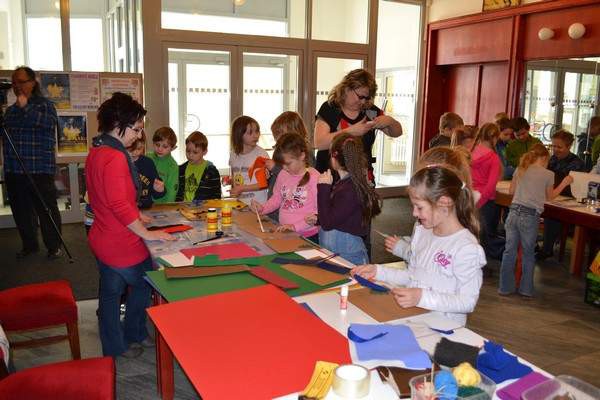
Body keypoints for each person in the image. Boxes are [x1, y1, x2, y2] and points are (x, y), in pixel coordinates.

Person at [85, 92, 174, 358]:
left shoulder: (97, 150)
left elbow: (106, 197)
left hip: (103, 235)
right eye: (135, 129)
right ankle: (134, 332)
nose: (138, 135)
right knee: (147, 279)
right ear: (118, 125)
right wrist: (146, 232)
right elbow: (118, 204)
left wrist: (137, 214)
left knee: (111, 294)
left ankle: (116, 344)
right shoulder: (114, 157)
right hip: (119, 242)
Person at [352, 165, 485, 327]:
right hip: (415, 320)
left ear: (444, 203)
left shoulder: (467, 248)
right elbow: (413, 276)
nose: (414, 213)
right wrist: (378, 271)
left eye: (419, 207)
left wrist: (421, 297)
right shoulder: (422, 233)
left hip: (445, 329)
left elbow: (467, 302)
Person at [2, 66, 62, 259]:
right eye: (14, 82)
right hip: (14, 169)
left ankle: (54, 247)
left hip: (39, 169)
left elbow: (48, 124)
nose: (17, 86)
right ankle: (29, 245)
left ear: (33, 82)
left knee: (46, 210)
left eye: (21, 82)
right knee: (21, 212)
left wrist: (26, 107)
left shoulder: (45, 105)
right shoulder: (10, 111)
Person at [498, 144, 573, 298]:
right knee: (528, 254)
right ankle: (525, 289)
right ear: (544, 158)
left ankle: (504, 288)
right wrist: (565, 183)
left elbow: (511, 191)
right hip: (530, 216)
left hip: (513, 213)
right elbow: (550, 197)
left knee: (509, 252)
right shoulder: (548, 174)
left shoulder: (521, 168)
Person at [313, 68, 402, 183]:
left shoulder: (370, 111)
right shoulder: (330, 108)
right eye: (360, 97)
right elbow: (319, 143)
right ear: (347, 89)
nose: (363, 102)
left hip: (361, 179)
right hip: (330, 179)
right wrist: (351, 131)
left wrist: (390, 121)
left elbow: (397, 132)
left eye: (367, 98)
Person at [317, 133, 381, 264]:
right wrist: (318, 218)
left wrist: (323, 189)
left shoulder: (350, 189)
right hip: (336, 251)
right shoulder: (345, 183)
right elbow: (339, 215)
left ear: (334, 157)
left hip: (348, 254)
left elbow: (328, 223)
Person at [252, 133, 319, 241]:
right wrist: (263, 208)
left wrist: (295, 227)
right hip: (286, 232)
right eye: (282, 164)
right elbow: (276, 198)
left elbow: (318, 212)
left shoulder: (314, 177)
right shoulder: (283, 175)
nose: (284, 167)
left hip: (308, 236)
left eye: (288, 163)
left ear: (302, 156)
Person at [538, 130, 585, 260]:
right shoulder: (552, 159)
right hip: (551, 195)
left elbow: (572, 188)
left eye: (559, 147)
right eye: (553, 146)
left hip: (568, 200)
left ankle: (547, 249)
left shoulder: (577, 163)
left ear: (569, 146)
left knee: (552, 214)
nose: (555, 149)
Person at [267, 112, 313, 222]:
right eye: (275, 135)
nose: (277, 139)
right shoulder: (282, 152)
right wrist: (269, 175)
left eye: (279, 134)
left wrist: (274, 168)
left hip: (293, 212)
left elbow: (299, 177)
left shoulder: (306, 154)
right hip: (276, 206)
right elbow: (278, 181)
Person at [471, 123, 504, 260]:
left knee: (474, 233)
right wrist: (480, 202)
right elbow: (491, 186)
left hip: (471, 196)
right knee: (487, 235)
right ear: (495, 138)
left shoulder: (471, 152)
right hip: (486, 202)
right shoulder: (493, 158)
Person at [229, 115, 269, 204]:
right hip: (240, 204)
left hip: (258, 205)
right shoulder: (233, 154)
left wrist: (242, 188)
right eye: (250, 132)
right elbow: (235, 178)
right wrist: (233, 186)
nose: (255, 135)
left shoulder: (261, 154)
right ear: (239, 134)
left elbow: (264, 184)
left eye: (257, 131)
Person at [175, 131, 221, 202]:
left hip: (204, 208)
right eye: (188, 151)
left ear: (204, 152)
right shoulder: (181, 169)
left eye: (195, 152)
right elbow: (177, 192)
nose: (190, 155)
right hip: (183, 207)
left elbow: (217, 196)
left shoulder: (211, 171)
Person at [128, 130, 165, 209]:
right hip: (127, 209)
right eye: (130, 149)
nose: (134, 152)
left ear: (144, 146)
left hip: (146, 208)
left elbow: (157, 194)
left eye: (139, 149)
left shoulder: (148, 163)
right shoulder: (121, 162)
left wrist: (159, 190)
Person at [147, 127, 178, 203]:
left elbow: (171, 192)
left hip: (161, 205)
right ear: (153, 143)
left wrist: (167, 207)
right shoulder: (147, 157)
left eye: (165, 146)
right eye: (157, 145)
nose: (160, 149)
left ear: (173, 148)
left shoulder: (173, 166)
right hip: (144, 202)